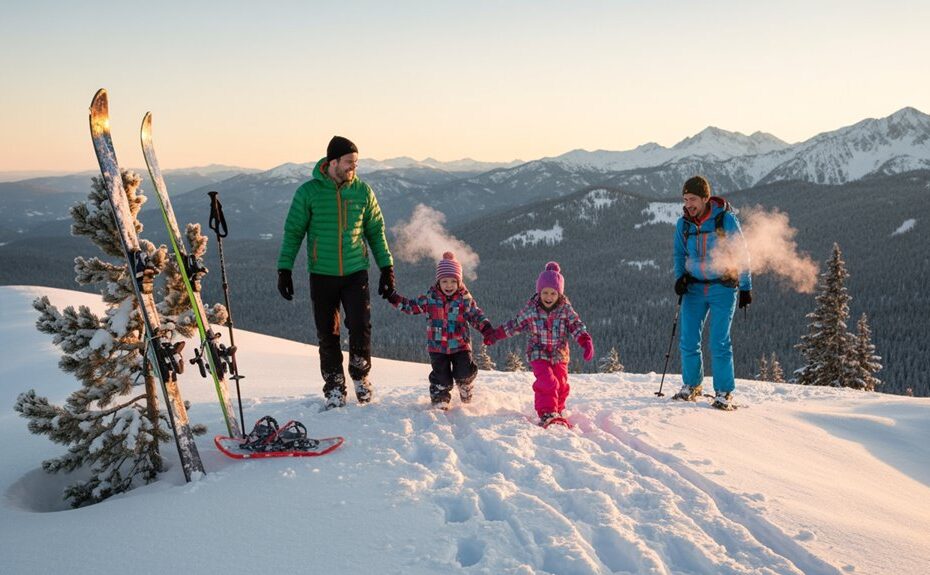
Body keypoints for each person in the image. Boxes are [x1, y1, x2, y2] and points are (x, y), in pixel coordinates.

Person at [276, 136, 395, 409]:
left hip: (356, 271)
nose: (354, 165)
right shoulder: (308, 192)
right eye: (349, 161)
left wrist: (386, 267)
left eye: (356, 161)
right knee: (327, 334)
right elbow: (293, 232)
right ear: (333, 162)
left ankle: (361, 376)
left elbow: (375, 231)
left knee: (360, 326)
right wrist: (285, 269)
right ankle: (334, 387)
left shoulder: (363, 191)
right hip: (322, 273)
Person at [672, 175, 752, 410]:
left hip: (723, 287)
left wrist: (746, 286)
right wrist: (680, 278)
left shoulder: (725, 220)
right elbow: (679, 254)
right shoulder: (683, 224)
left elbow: (742, 252)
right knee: (688, 340)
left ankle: (724, 392)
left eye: (693, 199)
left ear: (706, 198)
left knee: (719, 341)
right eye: (685, 199)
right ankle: (692, 385)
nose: (688, 204)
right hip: (694, 288)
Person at [484, 262, 594, 426]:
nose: (548, 297)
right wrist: (495, 335)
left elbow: (576, 326)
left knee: (561, 383)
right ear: (539, 292)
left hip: (559, 353)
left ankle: (557, 408)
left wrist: (585, 341)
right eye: (545, 292)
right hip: (538, 352)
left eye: (553, 293)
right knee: (548, 381)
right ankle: (547, 412)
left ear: (559, 294)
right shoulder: (531, 310)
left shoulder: (565, 310)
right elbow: (515, 325)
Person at [384, 252, 494, 409]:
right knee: (441, 376)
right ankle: (440, 396)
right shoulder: (430, 298)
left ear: (459, 282)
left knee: (464, 371)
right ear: (438, 282)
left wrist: (486, 328)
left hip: (460, 346)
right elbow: (411, 306)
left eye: (453, 281)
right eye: (445, 281)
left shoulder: (464, 299)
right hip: (437, 347)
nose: (449, 285)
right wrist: (394, 298)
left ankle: (465, 385)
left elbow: (476, 315)